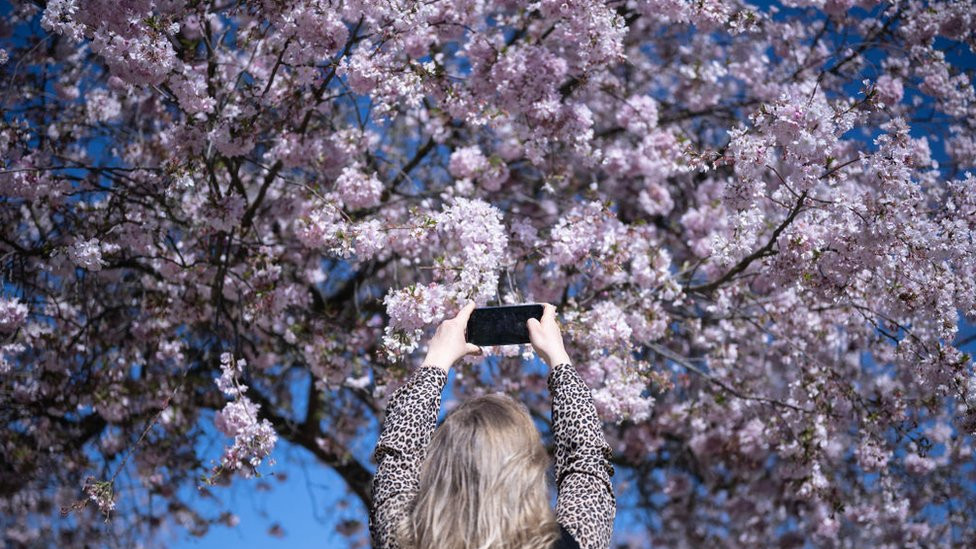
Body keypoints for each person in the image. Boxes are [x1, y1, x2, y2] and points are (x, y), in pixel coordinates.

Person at [368, 300, 615, 549]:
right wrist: (558, 359)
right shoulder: (572, 544)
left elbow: (398, 457)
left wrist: (436, 360)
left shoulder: (402, 539)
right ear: (528, 469)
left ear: (441, 467)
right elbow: (587, 461)